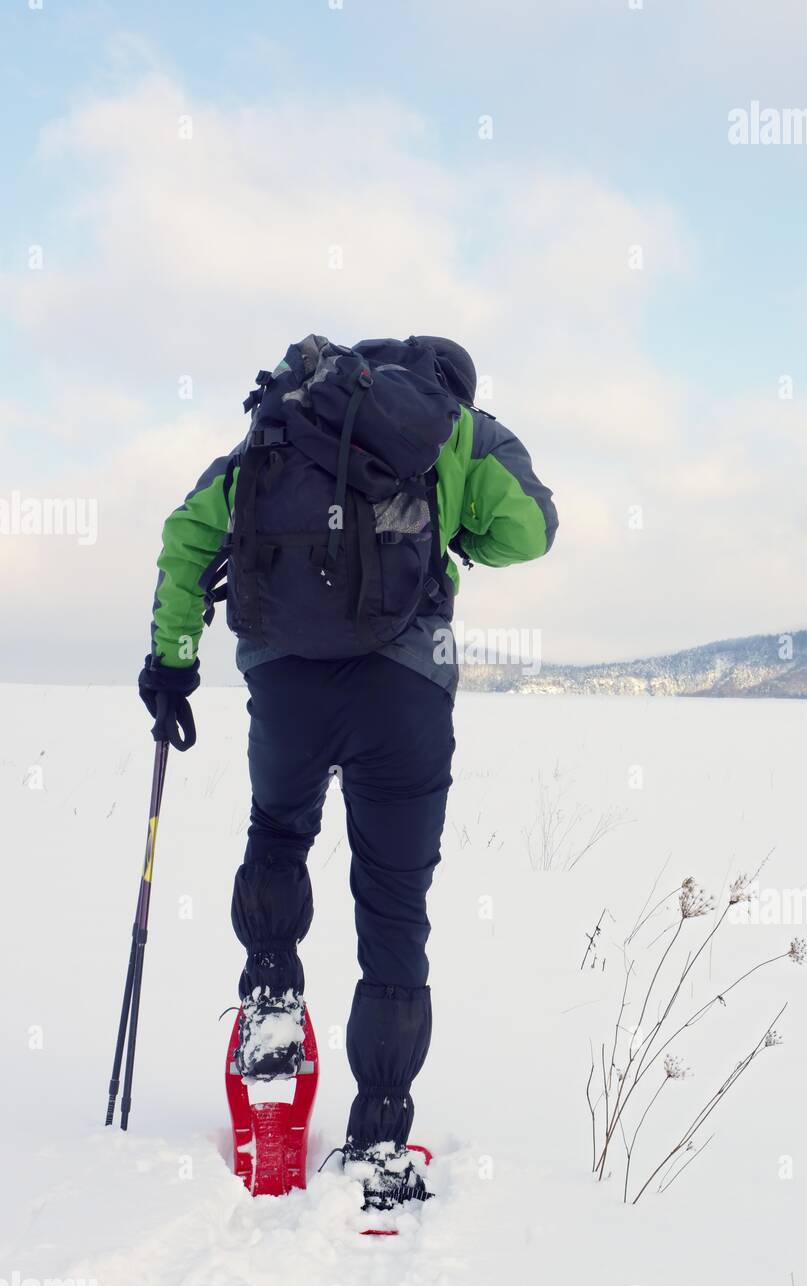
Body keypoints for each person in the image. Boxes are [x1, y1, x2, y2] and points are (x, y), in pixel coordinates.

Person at [138, 335, 557, 1211]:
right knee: (395, 903)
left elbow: (189, 532)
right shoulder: (457, 431)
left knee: (278, 830)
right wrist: (457, 526)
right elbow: (530, 531)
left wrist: (173, 661)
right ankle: (378, 1131)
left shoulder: (286, 420)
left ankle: (271, 1000)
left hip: (284, 680)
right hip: (405, 689)